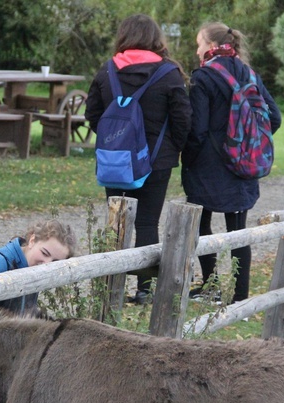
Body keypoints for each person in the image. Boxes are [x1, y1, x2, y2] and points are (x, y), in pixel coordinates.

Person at [85, 14, 192, 305]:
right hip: (156, 163)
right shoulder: (169, 73)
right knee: (147, 223)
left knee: (116, 221)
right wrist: (171, 148)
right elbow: (183, 118)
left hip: (115, 160)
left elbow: (92, 114)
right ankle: (144, 288)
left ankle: (109, 287)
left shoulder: (107, 71)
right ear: (155, 39)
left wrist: (114, 140)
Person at [181, 22, 282, 303]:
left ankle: (210, 287)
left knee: (202, 227)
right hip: (242, 168)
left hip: (208, 168)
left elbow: (198, 129)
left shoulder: (203, 77)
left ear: (211, 47)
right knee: (239, 231)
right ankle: (240, 296)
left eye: (199, 43)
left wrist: (187, 158)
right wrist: (250, 143)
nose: (197, 49)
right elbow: (274, 117)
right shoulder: (248, 73)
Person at [0, 219, 77, 316]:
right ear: (32, 241)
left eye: (55, 262)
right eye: (44, 253)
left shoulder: (31, 266)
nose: (46, 264)